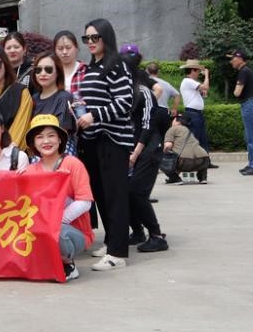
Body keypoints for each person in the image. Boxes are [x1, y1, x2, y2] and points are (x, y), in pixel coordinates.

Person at [74, 18, 135, 271]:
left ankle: (117, 253)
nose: (90, 42)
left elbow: (125, 102)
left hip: (114, 138)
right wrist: (81, 109)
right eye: (86, 38)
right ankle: (111, 242)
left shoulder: (116, 65)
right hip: (95, 139)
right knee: (102, 195)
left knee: (115, 196)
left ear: (106, 38)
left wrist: (94, 115)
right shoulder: (94, 66)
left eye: (94, 37)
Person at [22, 115, 93, 281]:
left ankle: (68, 264)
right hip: (42, 230)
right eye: (40, 137)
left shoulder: (72, 164)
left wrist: (56, 221)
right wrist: (16, 179)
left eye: (51, 135)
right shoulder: (30, 170)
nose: (46, 141)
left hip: (71, 231)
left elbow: (85, 202)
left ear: (60, 139)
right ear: (33, 143)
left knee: (58, 232)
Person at [124, 50, 167, 253]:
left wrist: (135, 153)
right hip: (131, 149)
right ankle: (138, 232)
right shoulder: (123, 92)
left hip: (149, 149)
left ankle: (157, 236)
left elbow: (148, 126)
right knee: (125, 193)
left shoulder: (144, 92)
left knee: (137, 192)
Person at [29, 52, 76, 154]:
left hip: (60, 151)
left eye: (48, 69)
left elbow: (62, 133)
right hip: (37, 151)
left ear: (58, 72)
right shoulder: (33, 99)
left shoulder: (64, 97)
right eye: (38, 70)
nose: (43, 73)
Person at [229, 48, 253, 176]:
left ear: (239, 59)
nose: (231, 61)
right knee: (250, 136)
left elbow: (237, 93)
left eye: (233, 59)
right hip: (252, 102)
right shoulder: (248, 70)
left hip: (249, 104)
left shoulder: (243, 72)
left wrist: (236, 91)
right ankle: (252, 164)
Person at [162, 113, 211, 184]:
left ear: (177, 121)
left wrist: (164, 153)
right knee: (198, 154)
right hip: (204, 160)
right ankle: (203, 178)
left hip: (185, 162)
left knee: (162, 158)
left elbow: (168, 145)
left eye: (173, 119)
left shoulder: (172, 129)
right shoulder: (189, 131)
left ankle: (175, 178)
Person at [178, 59, 211, 154]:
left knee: (202, 138)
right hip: (192, 113)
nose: (199, 73)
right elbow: (205, 87)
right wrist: (207, 75)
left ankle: (204, 159)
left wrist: (203, 92)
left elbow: (204, 92)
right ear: (193, 70)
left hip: (196, 113)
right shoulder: (187, 81)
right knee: (195, 138)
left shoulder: (192, 83)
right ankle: (194, 159)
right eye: (198, 71)